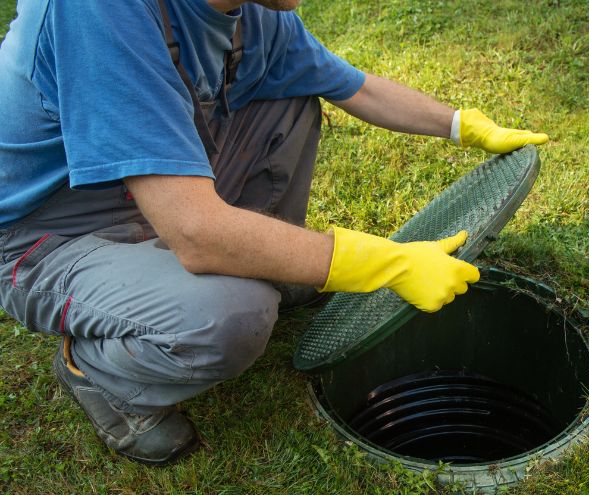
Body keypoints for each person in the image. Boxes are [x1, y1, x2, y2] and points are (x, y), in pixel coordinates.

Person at [0, 0, 549, 465]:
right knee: (229, 314)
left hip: (155, 194)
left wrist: (462, 125)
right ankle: (96, 372)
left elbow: (353, 86)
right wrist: (385, 262)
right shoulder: (97, 13)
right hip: (49, 237)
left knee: (288, 96)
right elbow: (196, 232)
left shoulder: (249, 12)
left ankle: (266, 272)